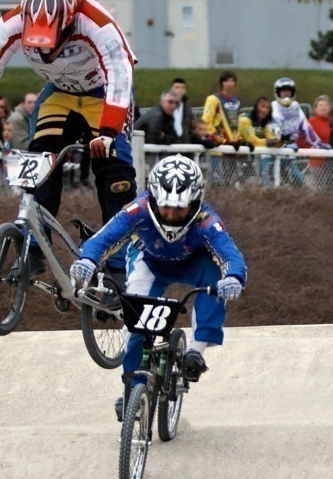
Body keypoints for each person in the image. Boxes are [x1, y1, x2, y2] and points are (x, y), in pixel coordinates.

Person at [0, 0, 138, 269]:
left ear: (68, 22)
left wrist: (108, 131)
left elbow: (120, 70)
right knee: (39, 161)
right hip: (60, 94)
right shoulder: (13, 22)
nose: (46, 50)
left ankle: (119, 262)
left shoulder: (94, 22)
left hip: (104, 92)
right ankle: (35, 244)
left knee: (114, 173)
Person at [70, 155, 246, 421]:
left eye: (180, 209)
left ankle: (196, 351)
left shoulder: (206, 221)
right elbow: (103, 238)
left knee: (216, 281)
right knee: (136, 324)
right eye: (165, 207)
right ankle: (132, 389)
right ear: (152, 198)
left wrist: (234, 277)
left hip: (194, 264)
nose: (172, 215)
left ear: (195, 203)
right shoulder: (138, 209)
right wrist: (87, 260)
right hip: (149, 262)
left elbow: (231, 255)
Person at [271, 77, 327, 149]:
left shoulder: (295, 106)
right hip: (274, 151)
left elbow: (307, 129)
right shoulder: (273, 107)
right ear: (277, 92)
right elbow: (272, 133)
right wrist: (283, 144)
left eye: (288, 90)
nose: (286, 93)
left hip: (291, 150)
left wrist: (319, 145)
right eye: (283, 91)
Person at [202, 70, 242, 147]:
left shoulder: (237, 102)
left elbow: (236, 124)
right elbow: (206, 121)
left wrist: (240, 140)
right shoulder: (213, 99)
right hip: (218, 146)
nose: (229, 84)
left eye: (232, 81)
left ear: (235, 83)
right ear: (221, 83)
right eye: (226, 81)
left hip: (234, 146)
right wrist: (217, 138)